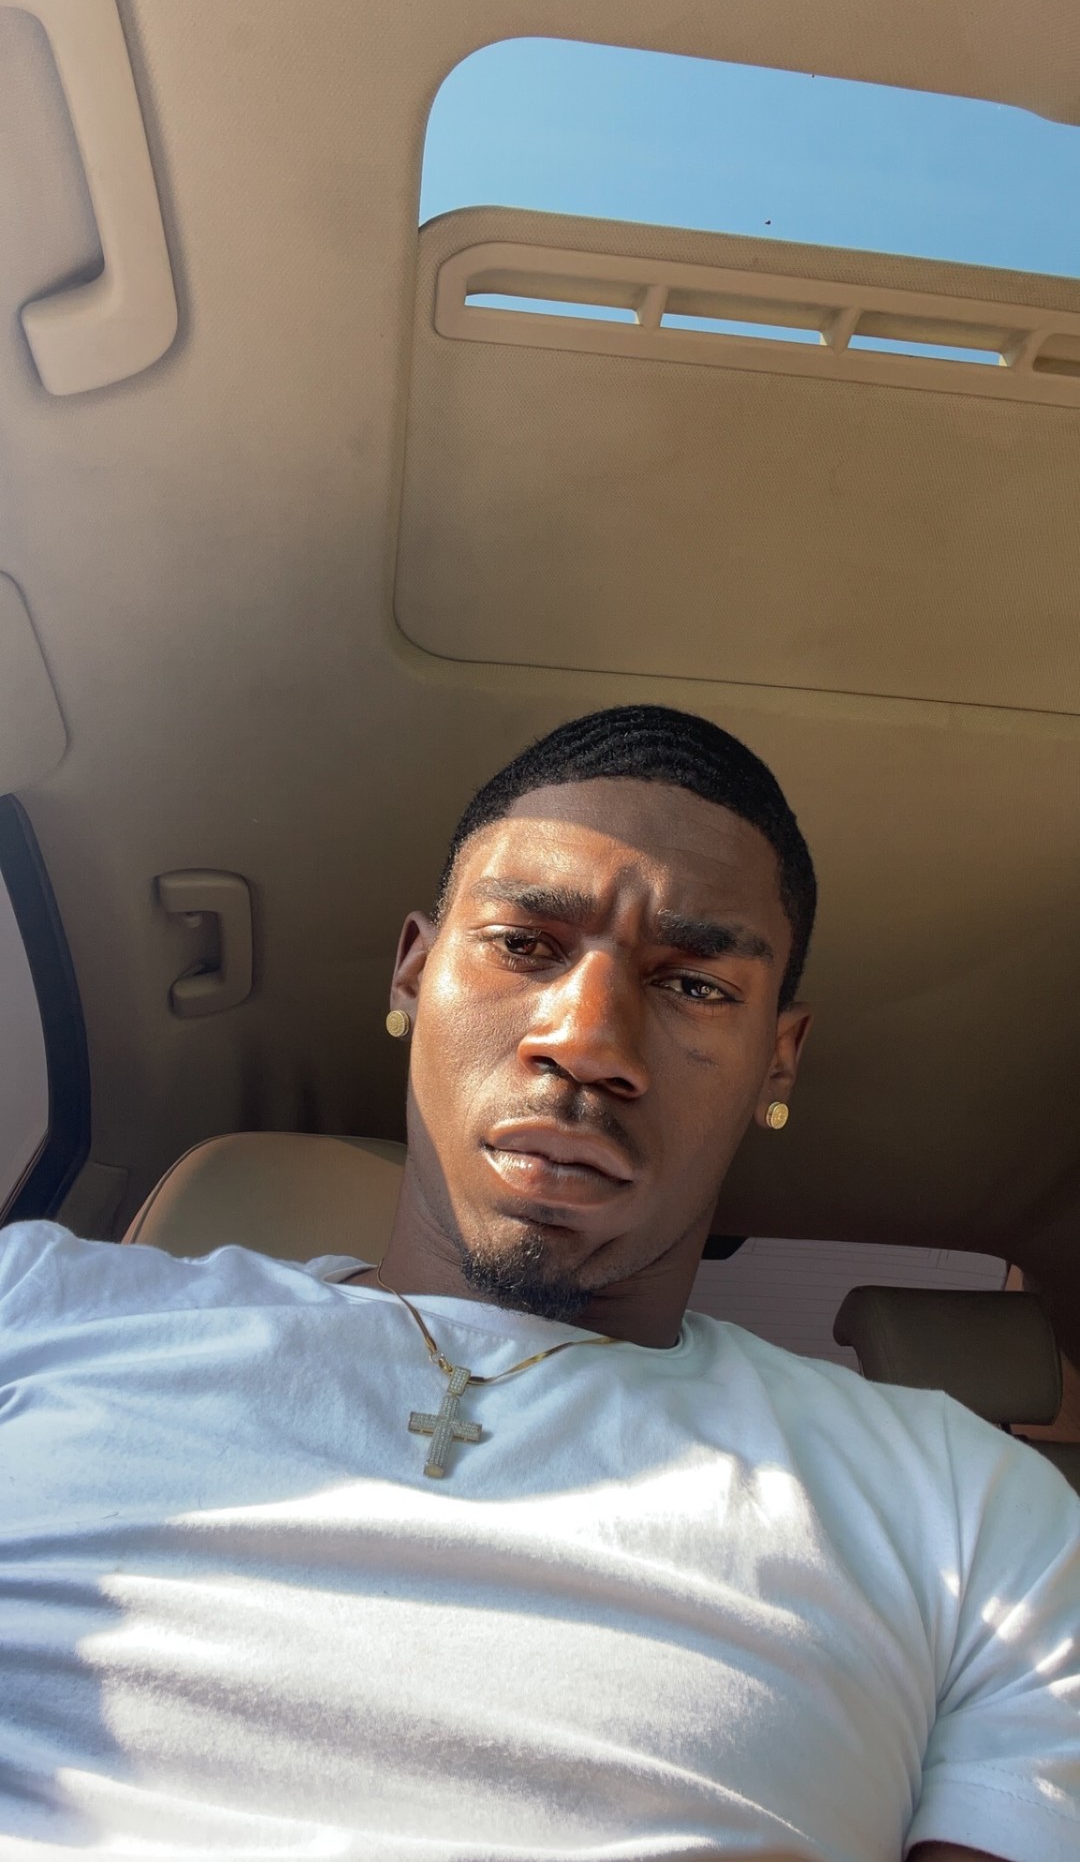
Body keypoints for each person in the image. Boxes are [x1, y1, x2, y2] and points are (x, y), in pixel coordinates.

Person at [2, 703, 1077, 1861]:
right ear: (414, 972)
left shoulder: (975, 1515)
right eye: (525, 944)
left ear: (778, 1059)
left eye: (695, 984)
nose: (588, 1040)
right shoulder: (36, 1308)